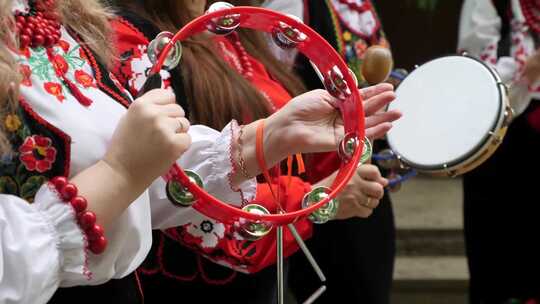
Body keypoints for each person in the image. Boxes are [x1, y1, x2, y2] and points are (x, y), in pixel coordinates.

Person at [0, 0, 393, 303]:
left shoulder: (59, 19)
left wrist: (272, 137)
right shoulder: (128, 35)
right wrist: (313, 199)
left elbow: (157, 172)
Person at [262, 1, 397, 303]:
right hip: (320, 187)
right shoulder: (292, 5)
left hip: (363, 177)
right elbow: (267, 90)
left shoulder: (362, 6)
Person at [459, 0, 540, 302]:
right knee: (496, 248)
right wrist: (528, 69)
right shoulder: (489, 4)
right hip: (502, 136)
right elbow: (477, 77)